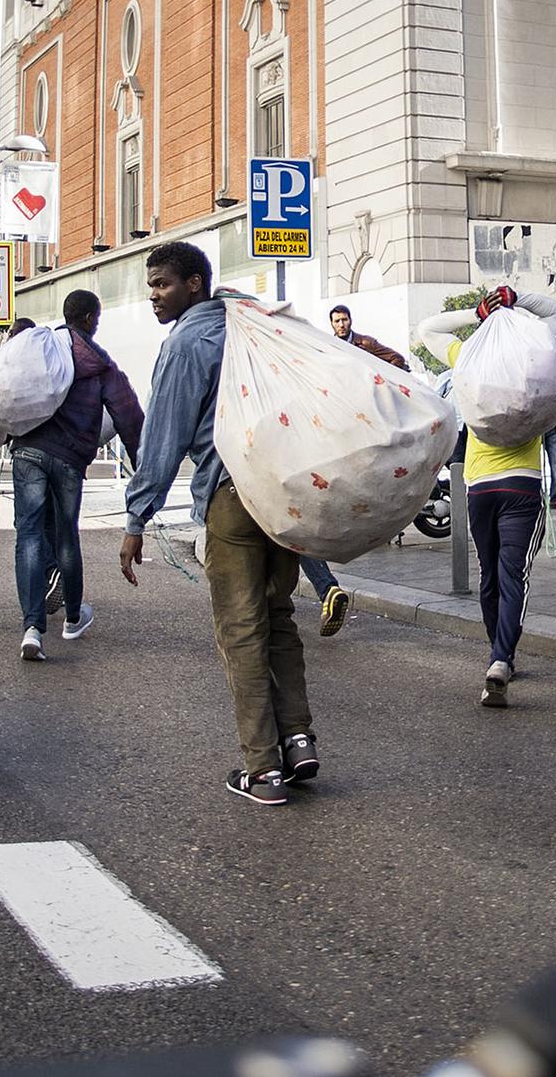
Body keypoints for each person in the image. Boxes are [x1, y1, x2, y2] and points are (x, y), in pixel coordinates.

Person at [122, 243, 317, 806]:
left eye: (161, 284)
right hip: (279, 491)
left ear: (194, 283)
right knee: (278, 617)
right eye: (151, 285)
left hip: (231, 497)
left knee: (241, 627)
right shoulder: (251, 326)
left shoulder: (187, 341)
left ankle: (263, 770)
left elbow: (164, 434)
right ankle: (299, 740)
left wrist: (138, 515)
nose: (153, 295)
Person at [13, 291, 144, 662]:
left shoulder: (41, 350)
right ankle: (72, 618)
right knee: (66, 534)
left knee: (29, 535)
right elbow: (129, 419)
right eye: (97, 320)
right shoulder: (101, 367)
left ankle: (32, 628)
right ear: (89, 319)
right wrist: (144, 470)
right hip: (69, 458)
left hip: (28, 451)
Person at [460, 286, 556, 707]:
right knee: (512, 574)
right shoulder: (533, 363)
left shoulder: (469, 358)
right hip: (521, 483)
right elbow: (553, 310)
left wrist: (478, 313)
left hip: (478, 486)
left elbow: (429, 328)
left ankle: (496, 654)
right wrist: (516, 300)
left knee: (488, 574)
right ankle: (502, 657)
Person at [329, 304, 411, 371]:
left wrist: (381, 379)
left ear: (350, 320)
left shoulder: (366, 342)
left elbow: (397, 358)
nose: (341, 325)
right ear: (332, 323)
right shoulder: (329, 346)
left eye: (344, 320)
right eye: (337, 321)